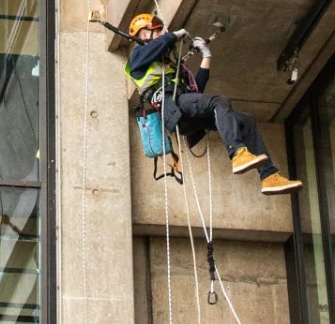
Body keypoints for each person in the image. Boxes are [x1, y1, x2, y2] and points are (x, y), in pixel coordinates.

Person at [125, 12, 302, 195]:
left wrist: (206, 56)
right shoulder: (137, 58)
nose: (163, 34)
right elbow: (157, 47)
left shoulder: (166, 66)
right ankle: (238, 153)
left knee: (245, 120)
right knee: (219, 101)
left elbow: (196, 91)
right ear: (145, 35)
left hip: (183, 110)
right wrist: (174, 35)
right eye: (159, 31)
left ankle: (269, 176)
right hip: (172, 108)